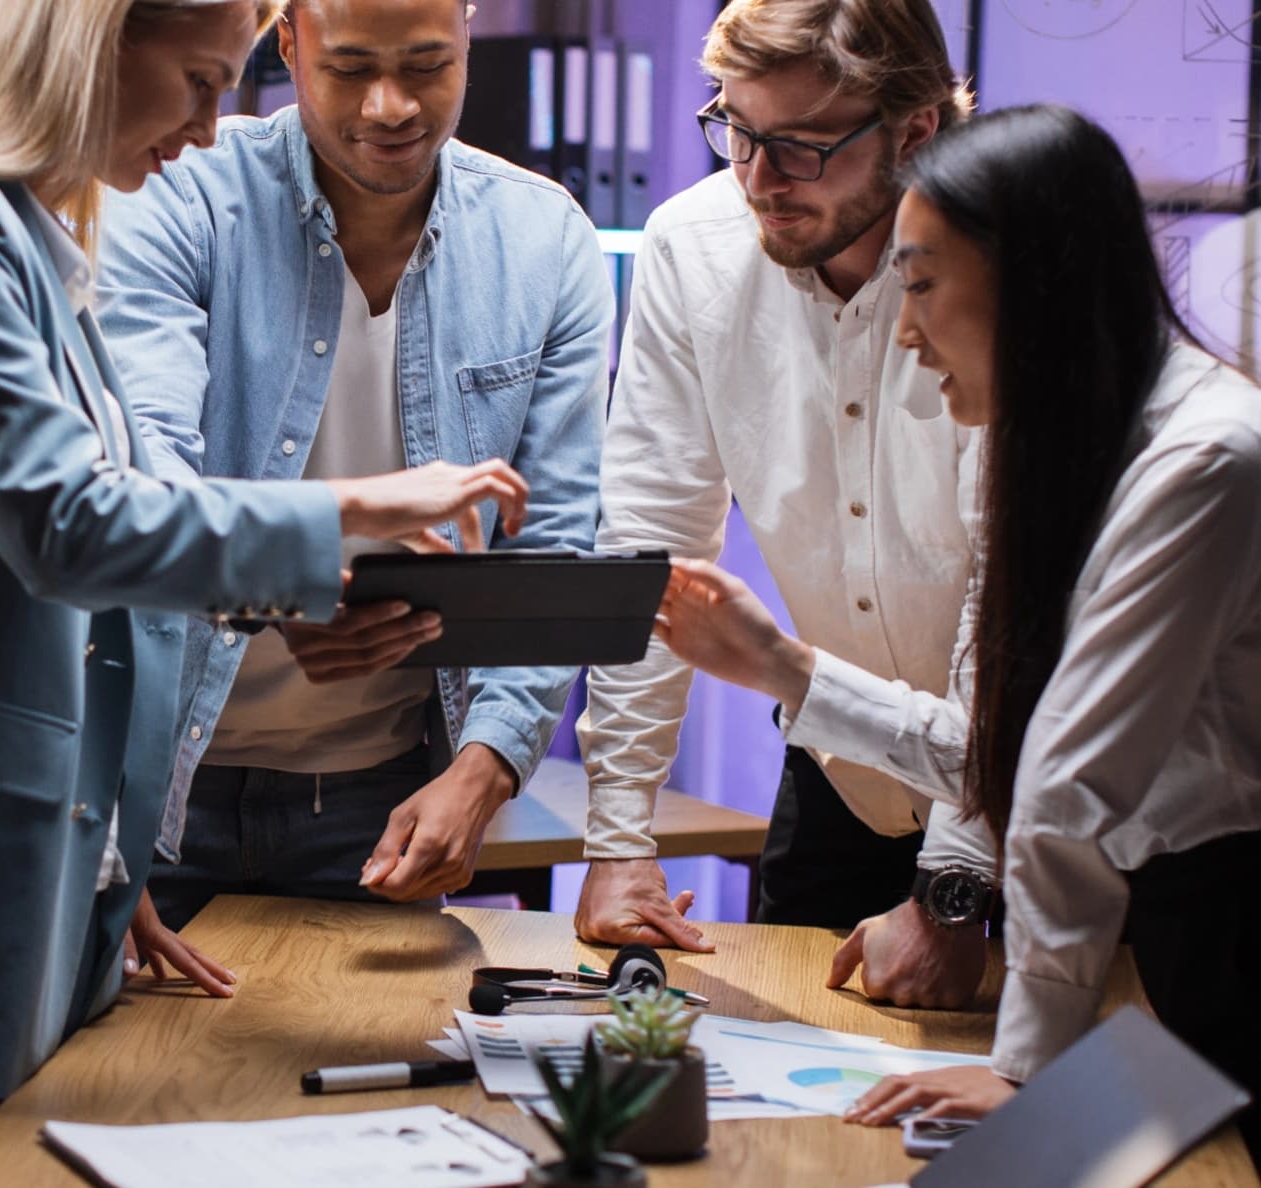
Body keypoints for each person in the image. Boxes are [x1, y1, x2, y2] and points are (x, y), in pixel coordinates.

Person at [655, 104, 1261, 1157]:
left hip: (1224, 946)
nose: (902, 329)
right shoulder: (1036, 450)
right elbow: (994, 747)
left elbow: (1067, 780)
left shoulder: (1207, 461)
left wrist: (1025, 1071)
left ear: (1035, 280)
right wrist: (785, 669)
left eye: (922, 283)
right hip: (1130, 940)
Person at [0, 0, 530, 1099]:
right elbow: (78, 526)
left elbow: (122, 575)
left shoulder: (53, 241)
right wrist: (351, 511)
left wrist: (107, 837)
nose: (207, 129)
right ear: (95, 44)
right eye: (199, 81)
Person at [96, 0, 612, 943]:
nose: (389, 106)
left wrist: (487, 767)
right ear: (286, 44)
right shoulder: (179, 192)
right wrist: (279, 582)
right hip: (153, 779)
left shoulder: (544, 242)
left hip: (375, 794)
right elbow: (145, 472)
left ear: (466, 38)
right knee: (127, 1080)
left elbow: (560, 543)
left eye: (425, 65)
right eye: (349, 68)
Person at [575, 0, 996, 1010]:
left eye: (801, 149)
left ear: (916, 132)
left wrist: (951, 895)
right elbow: (652, 541)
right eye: (735, 129)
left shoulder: (1001, 264)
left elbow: (1011, 620)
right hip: (837, 772)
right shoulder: (693, 245)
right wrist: (619, 834)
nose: (757, 182)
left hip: (1015, 807)